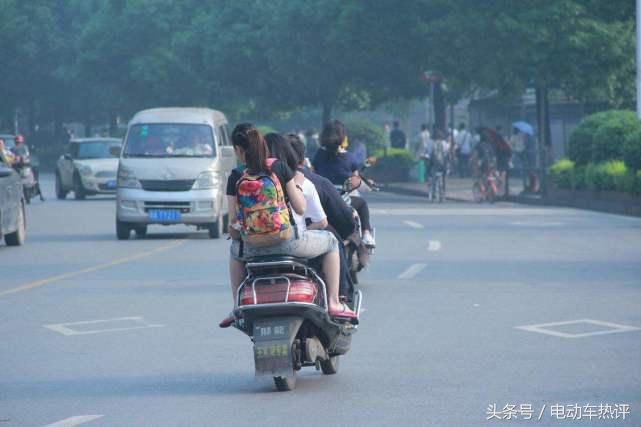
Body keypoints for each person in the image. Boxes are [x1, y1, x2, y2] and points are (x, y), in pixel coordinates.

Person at [220, 124, 356, 328]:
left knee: (233, 250)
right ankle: (335, 302)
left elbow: (232, 226)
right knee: (331, 242)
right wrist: (298, 185)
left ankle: (237, 306)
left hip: (251, 248)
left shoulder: (235, 176)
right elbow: (300, 208)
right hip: (287, 242)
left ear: (238, 150)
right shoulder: (279, 168)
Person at [289, 134, 356, 297]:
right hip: (295, 241)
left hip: (260, 246)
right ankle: (339, 296)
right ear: (302, 160)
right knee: (332, 240)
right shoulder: (312, 182)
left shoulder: (255, 182)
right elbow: (331, 220)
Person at [312, 120, 375, 247]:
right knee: (362, 204)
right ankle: (367, 234)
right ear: (343, 137)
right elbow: (355, 181)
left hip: (322, 200)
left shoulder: (319, 154)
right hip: (343, 200)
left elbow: (314, 174)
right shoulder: (350, 158)